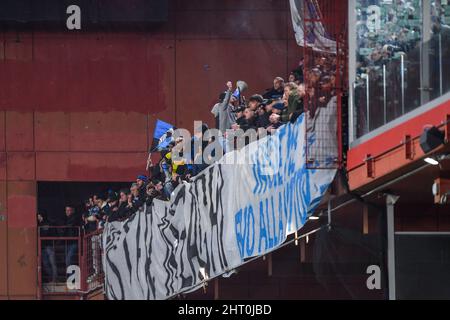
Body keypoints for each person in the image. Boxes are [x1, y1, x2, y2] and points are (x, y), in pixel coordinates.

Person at [38, 211, 57, 283]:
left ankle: (54, 279)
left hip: (49, 245)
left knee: (52, 263)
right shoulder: (39, 224)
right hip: (43, 246)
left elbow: (47, 233)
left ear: (41, 216)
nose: (37, 217)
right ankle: (50, 278)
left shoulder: (47, 223)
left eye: (38, 216)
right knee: (45, 263)